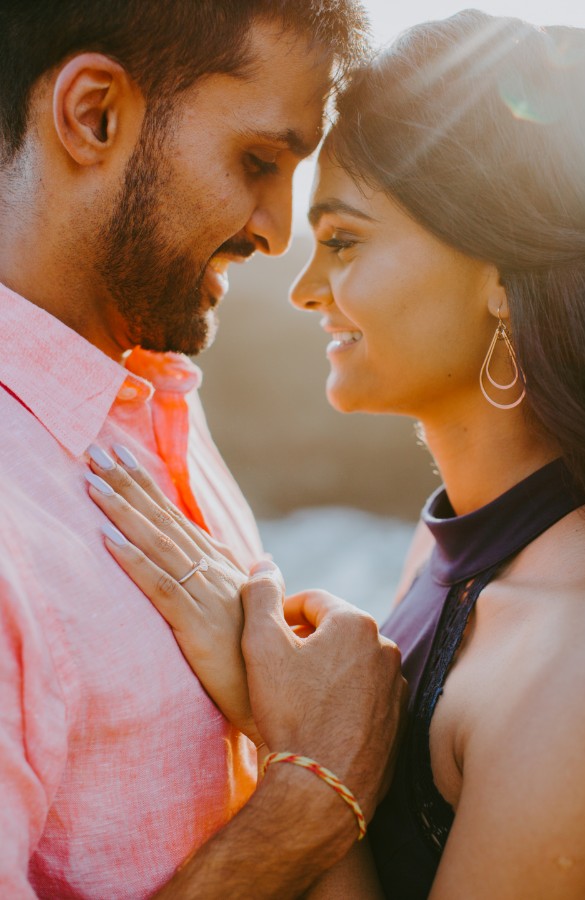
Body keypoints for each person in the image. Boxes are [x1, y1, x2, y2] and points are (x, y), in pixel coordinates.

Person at [88, 9, 585, 898]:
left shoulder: (575, 664)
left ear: (503, 279)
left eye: (344, 240)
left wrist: (300, 753)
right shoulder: (454, 550)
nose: (302, 289)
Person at [0, 2, 406, 897]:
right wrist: (309, 801)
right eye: (258, 162)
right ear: (94, 113)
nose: (274, 231)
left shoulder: (155, 401)